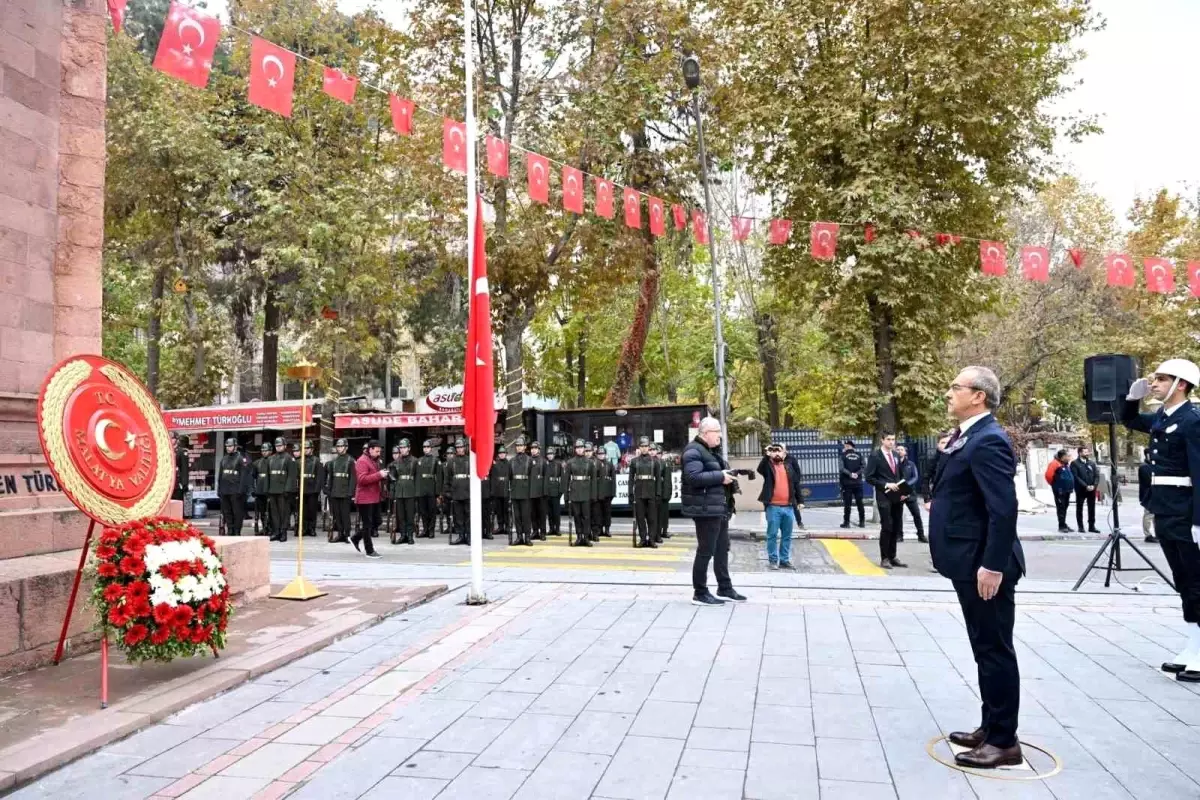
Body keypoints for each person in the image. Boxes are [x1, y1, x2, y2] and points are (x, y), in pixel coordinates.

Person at [930, 365, 1025, 769]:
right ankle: (991, 724)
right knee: (983, 646)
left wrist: (992, 565)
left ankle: (1004, 742)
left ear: (979, 396)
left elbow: (1003, 510)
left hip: (983, 564)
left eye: (956, 387)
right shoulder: (967, 436)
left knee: (994, 649)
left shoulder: (988, 440)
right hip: (967, 560)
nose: (949, 392)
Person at [1122, 358, 1200, 681]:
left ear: (1181, 384)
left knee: (1196, 581)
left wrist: (1199, 521)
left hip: (1184, 511)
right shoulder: (1162, 417)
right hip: (1165, 509)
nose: (1154, 384)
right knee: (1183, 580)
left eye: (1161, 379)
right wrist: (1131, 398)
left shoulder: (1192, 420)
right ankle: (1193, 645)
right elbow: (1129, 421)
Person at [682, 417, 747, 606]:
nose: (720, 435)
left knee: (721, 549)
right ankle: (700, 592)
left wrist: (729, 474)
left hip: (718, 507)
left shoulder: (710, 451)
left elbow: (712, 472)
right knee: (706, 550)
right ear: (704, 433)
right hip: (704, 509)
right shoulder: (693, 450)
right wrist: (720, 476)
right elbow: (693, 477)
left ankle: (724, 587)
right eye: (716, 431)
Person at [865, 432, 909, 569]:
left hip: (897, 495)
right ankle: (884, 558)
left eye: (893, 439)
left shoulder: (895, 455)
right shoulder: (875, 456)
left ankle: (893, 556)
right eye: (889, 439)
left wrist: (904, 492)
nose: (891, 442)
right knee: (887, 526)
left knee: (896, 525)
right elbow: (869, 477)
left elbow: (899, 475)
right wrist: (885, 484)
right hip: (884, 495)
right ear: (882, 440)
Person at [756, 443, 801, 570]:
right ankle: (773, 560)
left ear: (784, 453)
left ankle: (784, 560)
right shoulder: (768, 466)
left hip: (788, 507)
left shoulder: (789, 466)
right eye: (774, 451)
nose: (776, 453)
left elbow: (796, 484)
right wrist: (767, 455)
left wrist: (800, 501)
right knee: (772, 535)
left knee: (787, 535)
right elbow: (760, 469)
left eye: (778, 451)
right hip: (773, 507)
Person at [351, 440, 387, 557]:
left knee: (377, 522)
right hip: (364, 498)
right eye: (377, 451)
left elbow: (374, 478)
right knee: (367, 525)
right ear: (370, 449)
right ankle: (369, 550)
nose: (378, 453)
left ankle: (356, 538)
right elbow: (362, 480)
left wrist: (383, 476)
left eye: (379, 451)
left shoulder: (373, 460)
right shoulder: (362, 461)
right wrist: (379, 475)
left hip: (374, 497)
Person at [217, 437, 251, 536]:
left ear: (235, 446)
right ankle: (230, 529)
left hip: (236, 490)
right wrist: (219, 490)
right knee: (227, 512)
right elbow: (220, 476)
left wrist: (241, 490)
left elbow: (244, 477)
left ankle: (237, 531)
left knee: (237, 512)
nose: (228, 448)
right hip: (225, 490)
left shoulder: (241, 458)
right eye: (227, 446)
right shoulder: (224, 459)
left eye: (230, 446)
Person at [266, 437, 298, 542]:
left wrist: (287, 490)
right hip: (273, 490)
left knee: (284, 513)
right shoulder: (271, 459)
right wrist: (268, 489)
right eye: (277, 446)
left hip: (283, 491)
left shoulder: (289, 458)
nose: (278, 447)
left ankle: (283, 532)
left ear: (285, 446)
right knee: (274, 513)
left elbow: (291, 476)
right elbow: (268, 476)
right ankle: (276, 532)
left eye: (280, 445)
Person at [564, 439, 595, 547]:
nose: (579, 449)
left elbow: (594, 480)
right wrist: (566, 496)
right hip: (575, 492)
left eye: (581, 447)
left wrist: (593, 494)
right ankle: (579, 536)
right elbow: (566, 480)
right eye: (577, 448)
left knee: (586, 516)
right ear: (575, 449)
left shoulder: (590, 462)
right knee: (576, 516)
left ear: (584, 449)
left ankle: (586, 537)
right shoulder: (570, 462)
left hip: (586, 492)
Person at [630, 436, 659, 548]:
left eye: (646, 446)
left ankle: (651, 539)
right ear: (639, 448)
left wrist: (658, 493)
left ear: (649, 447)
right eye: (642, 446)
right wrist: (630, 493)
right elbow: (631, 479)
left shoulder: (654, 462)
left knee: (652, 518)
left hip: (651, 491)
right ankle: (643, 538)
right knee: (640, 517)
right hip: (639, 492)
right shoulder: (634, 462)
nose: (644, 448)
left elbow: (658, 480)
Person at [325, 438, 356, 543]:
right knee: (337, 515)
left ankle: (347, 535)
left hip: (345, 492)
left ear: (346, 447)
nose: (339, 448)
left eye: (341, 446)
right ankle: (340, 534)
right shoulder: (333, 462)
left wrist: (351, 492)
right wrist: (329, 490)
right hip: (335, 491)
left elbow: (353, 478)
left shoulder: (351, 460)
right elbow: (331, 478)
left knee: (345, 515)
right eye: (338, 446)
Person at [894, 445, 925, 542]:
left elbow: (915, 477)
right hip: (897, 493)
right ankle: (899, 535)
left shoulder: (911, 464)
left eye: (901, 449)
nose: (899, 451)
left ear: (905, 452)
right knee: (898, 516)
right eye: (897, 449)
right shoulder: (893, 464)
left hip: (910, 493)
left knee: (916, 514)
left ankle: (921, 535)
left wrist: (905, 488)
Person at [389, 438, 418, 544]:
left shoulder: (415, 461)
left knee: (410, 515)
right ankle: (403, 535)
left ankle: (410, 535)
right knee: (400, 516)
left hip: (410, 489)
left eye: (404, 447)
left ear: (409, 448)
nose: (402, 450)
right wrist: (393, 491)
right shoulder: (396, 462)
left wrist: (417, 492)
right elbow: (392, 477)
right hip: (399, 490)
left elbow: (417, 478)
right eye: (401, 447)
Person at [444, 438, 472, 545]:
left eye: (461, 447)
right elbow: (447, 478)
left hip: (467, 492)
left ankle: (468, 536)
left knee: (468, 516)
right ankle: (461, 535)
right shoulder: (451, 462)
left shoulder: (470, 460)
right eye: (458, 447)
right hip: (456, 493)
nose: (460, 449)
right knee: (458, 517)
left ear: (465, 447)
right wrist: (448, 492)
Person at [509, 437, 534, 546]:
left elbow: (532, 478)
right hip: (515, 491)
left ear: (525, 447)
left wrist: (531, 493)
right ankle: (519, 536)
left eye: (521, 445)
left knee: (526, 516)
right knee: (517, 516)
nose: (519, 447)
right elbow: (509, 477)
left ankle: (527, 537)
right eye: (517, 446)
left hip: (525, 491)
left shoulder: (529, 460)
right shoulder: (512, 461)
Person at [1069, 446, 1100, 533]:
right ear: (1080, 453)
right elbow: (1076, 477)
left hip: (1092, 489)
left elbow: (1097, 475)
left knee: (1092, 508)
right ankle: (1081, 527)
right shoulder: (1074, 463)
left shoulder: (1091, 463)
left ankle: (1092, 526)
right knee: (1079, 508)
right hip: (1081, 489)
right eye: (1085, 452)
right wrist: (1085, 486)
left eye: (1087, 452)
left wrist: (1094, 485)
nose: (1087, 454)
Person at [298, 439, 324, 538]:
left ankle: (312, 528)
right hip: (302, 488)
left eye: (307, 448)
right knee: (303, 511)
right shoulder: (300, 460)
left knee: (312, 510)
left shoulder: (316, 460)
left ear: (312, 449)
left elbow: (319, 476)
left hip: (312, 488)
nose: (305, 450)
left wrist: (317, 489)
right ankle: (304, 528)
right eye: (304, 448)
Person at [1044, 449, 1075, 533]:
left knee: (1065, 507)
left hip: (1067, 490)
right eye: (1067, 456)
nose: (1069, 458)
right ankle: (1061, 526)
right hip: (1060, 490)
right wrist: (1055, 485)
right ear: (1062, 457)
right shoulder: (1055, 464)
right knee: (1061, 507)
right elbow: (1048, 476)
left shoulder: (1065, 464)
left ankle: (1063, 523)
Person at [415, 439, 440, 538]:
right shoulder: (419, 460)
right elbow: (417, 476)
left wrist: (438, 492)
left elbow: (439, 477)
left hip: (431, 488)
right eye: (424, 447)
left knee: (432, 511)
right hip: (422, 488)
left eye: (427, 447)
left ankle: (431, 530)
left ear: (431, 448)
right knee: (423, 511)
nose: (426, 449)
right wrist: (417, 491)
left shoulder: (436, 460)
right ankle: (425, 529)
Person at [839, 440, 866, 529]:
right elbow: (863, 467)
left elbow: (841, 468)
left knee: (847, 504)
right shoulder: (859, 455)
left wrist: (850, 474)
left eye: (845, 446)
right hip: (858, 483)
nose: (844, 447)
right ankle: (862, 522)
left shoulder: (842, 456)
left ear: (848, 446)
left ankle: (846, 523)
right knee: (860, 502)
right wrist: (857, 474)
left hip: (847, 483)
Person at [489, 444, 512, 541]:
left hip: (506, 489)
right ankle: (500, 526)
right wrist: (492, 490)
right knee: (499, 510)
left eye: (503, 453)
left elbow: (511, 477)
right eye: (500, 453)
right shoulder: (495, 464)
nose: (502, 455)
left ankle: (507, 526)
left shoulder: (509, 464)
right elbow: (492, 478)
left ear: (506, 454)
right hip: (497, 489)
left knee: (506, 510)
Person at [543, 446, 564, 536]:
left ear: (554, 455)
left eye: (551, 454)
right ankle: (551, 528)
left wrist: (561, 491)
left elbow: (562, 478)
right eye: (548, 454)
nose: (550, 456)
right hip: (547, 490)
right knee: (549, 512)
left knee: (556, 512)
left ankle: (557, 528)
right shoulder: (545, 464)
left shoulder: (558, 464)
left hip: (556, 489)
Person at [252, 442, 272, 536]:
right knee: (262, 512)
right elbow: (253, 477)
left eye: (266, 450)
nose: (264, 452)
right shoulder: (257, 463)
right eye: (262, 450)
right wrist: (254, 490)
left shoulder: (273, 461)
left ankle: (272, 529)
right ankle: (264, 528)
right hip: (260, 491)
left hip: (271, 491)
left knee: (272, 512)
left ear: (271, 451)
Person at [654, 445, 673, 542]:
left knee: (665, 514)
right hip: (656, 492)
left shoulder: (665, 464)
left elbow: (668, 480)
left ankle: (664, 531)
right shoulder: (654, 463)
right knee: (657, 515)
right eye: (657, 453)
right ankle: (658, 532)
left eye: (659, 453)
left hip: (664, 492)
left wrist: (668, 493)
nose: (658, 455)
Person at [529, 440, 547, 541]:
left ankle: (543, 532)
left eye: (535, 448)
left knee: (542, 513)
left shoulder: (543, 461)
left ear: (539, 450)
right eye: (532, 448)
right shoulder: (528, 460)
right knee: (533, 513)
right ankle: (535, 530)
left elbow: (546, 477)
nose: (533, 450)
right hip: (531, 491)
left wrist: (545, 491)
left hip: (541, 492)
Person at [1139, 450, 1156, 544]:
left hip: (1154, 494)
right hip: (1148, 494)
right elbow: (1149, 481)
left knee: (1154, 515)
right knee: (1148, 515)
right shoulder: (1144, 467)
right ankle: (1147, 534)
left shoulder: (1152, 466)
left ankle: (1156, 534)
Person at [172, 435, 191, 504]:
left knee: (178, 503)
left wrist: (185, 483)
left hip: (178, 481)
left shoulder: (181, 451)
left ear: (177, 440)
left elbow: (185, 468)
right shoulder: (167, 450)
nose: (171, 440)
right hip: (169, 482)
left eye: (173, 438)